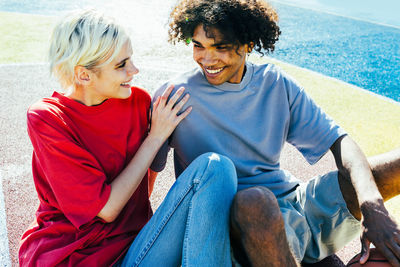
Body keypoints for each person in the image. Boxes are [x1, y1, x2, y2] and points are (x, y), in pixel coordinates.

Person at [151, 0, 400, 266]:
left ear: (248, 44)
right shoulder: (175, 95)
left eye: (220, 47)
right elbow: (149, 170)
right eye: (198, 45)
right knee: (255, 201)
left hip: (295, 205)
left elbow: (340, 142)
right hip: (242, 223)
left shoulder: (275, 82)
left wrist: (372, 207)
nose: (207, 58)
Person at [18, 9, 238, 267]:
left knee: (216, 167)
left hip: (136, 251)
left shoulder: (138, 102)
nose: (134, 70)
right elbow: (107, 210)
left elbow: (145, 185)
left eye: (130, 59)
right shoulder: (49, 118)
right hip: (73, 258)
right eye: (121, 65)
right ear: (84, 75)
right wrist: (155, 137)